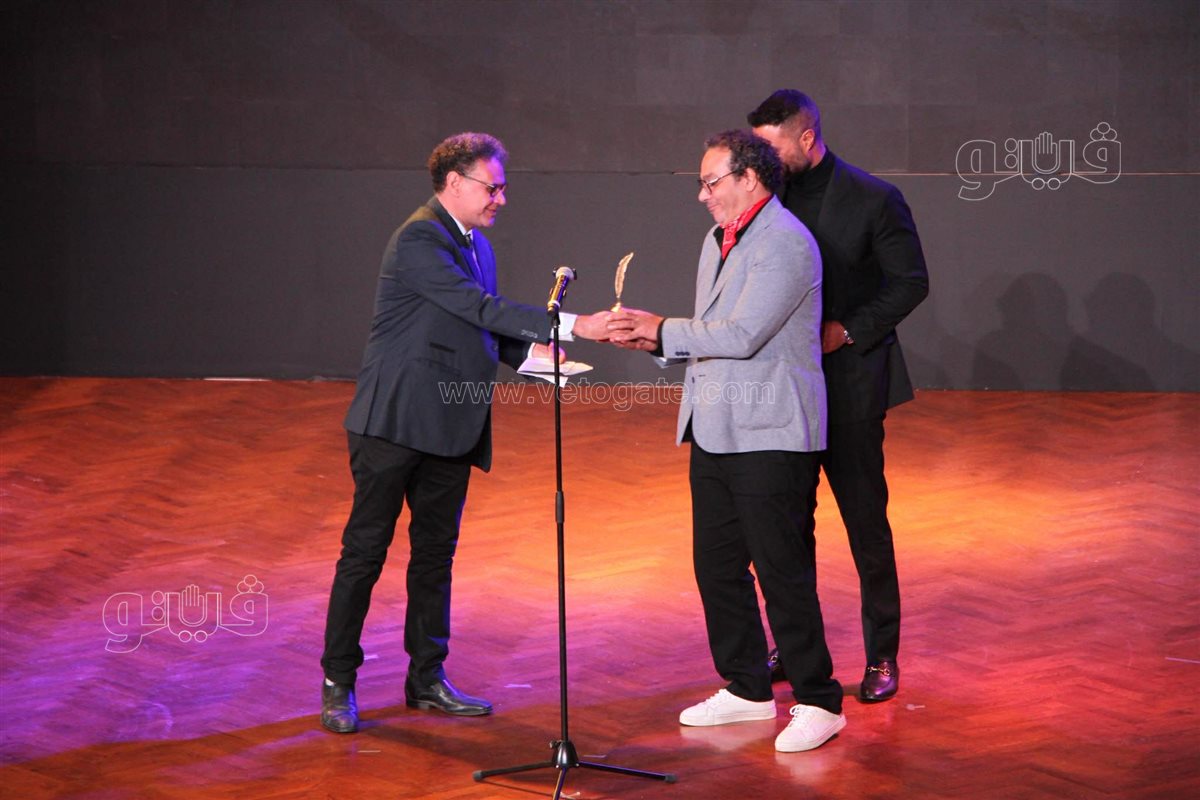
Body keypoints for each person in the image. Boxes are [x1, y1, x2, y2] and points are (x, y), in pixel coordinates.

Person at [320, 132, 610, 734]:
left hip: (450, 426)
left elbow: (478, 324)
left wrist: (533, 359)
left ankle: (426, 678)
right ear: (454, 183)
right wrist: (572, 324)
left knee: (435, 556)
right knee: (365, 553)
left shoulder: (477, 245)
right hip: (395, 423)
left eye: (502, 187)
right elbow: (476, 307)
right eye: (492, 187)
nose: (502, 198)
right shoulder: (420, 239)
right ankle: (338, 681)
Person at [607, 129, 844, 753]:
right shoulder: (717, 240)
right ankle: (747, 687)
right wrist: (654, 340)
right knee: (716, 565)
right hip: (716, 425)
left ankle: (820, 699)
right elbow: (710, 331)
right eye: (701, 184)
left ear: (750, 178)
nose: (703, 195)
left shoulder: (786, 242)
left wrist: (664, 329)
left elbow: (742, 334)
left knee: (781, 569)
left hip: (772, 430)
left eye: (711, 182)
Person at [748, 90, 930, 703]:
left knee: (864, 525)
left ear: (806, 138)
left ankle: (882, 654)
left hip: (849, 385)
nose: (760, 160)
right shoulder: (764, 197)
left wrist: (847, 329)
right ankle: (796, 644)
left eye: (770, 147)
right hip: (784, 387)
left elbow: (910, 283)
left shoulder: (875, 197)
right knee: (785, 526)